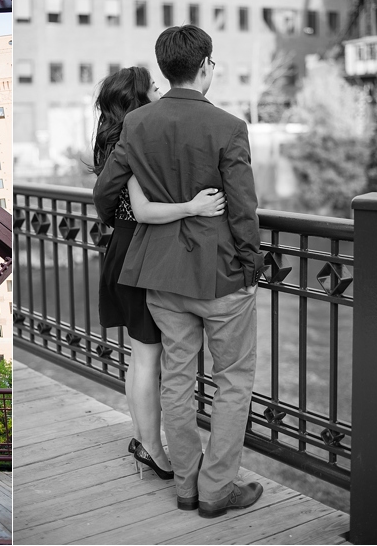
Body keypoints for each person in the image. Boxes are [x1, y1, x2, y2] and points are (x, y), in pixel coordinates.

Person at [93, 25, 265, 518]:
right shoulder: (229, 126)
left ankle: (186, 486)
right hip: (221, 276)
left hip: (161, 276)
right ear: (206, 64)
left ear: (165, 69)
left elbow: (106, 193)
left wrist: (131, 219)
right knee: (232, 381)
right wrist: (250, 263)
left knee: (177, 378)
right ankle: (216, 490)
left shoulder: (139, 123)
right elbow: (242, 207)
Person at [92, 66, 226, 479]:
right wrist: (193, 207)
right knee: (149, 357)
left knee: (141, 356)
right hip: (139, 252)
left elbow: (111, 203)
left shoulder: (119, 139)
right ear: (138, 98)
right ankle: (151, 446)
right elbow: (145, 210)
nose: (159, 91)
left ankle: (142, 437)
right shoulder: (133, 140)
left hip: (126, 249)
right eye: (152, 87)